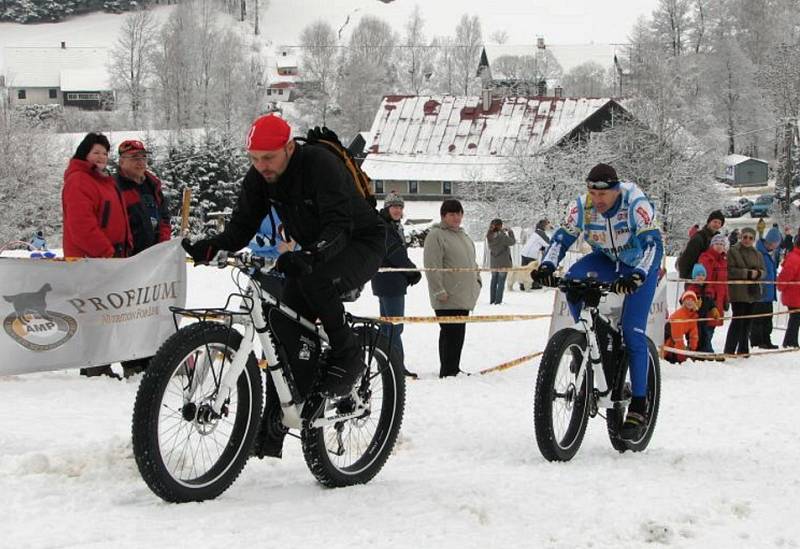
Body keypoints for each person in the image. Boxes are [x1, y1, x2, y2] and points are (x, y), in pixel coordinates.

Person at [182, 114, 386, 458]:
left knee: (315, 281)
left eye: (269, 157)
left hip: (359, 242)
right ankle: (273, 428)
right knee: (284, 328)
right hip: (309, 251)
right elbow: (242, 225)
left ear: (289, 148)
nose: (261, 165)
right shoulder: (261, 177)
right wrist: (214, 245)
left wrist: (310, 255)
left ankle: (348, 354)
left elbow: (340, 224)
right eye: (254, 158)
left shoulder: (319, 165)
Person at [532, 162, 663, 441]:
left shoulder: (635, 203)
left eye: (603, 195)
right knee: (571, 280)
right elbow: (561, 238)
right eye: (593, 193)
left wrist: (639, 275)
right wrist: (547, 266)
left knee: (633, 332)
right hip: (606, 260)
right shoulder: (582, 206)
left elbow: (653, 243)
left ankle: (639, 404)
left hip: (641, 264)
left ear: (616, 190)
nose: (598, 200)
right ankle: (590, 343)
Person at [62, 132, 132, 379]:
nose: (101, 157)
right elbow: (81, 226)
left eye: (104, 152)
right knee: (95, 314)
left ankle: (101, 364)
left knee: (110, 313)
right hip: (90, 260)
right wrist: (107, 252)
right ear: (84, 154)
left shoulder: (105, 180)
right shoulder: (79, 180)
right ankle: (96, 367)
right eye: (96, 152)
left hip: (109, 258)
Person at [114, 139, 172, 377]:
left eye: (143, 157)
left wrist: (164, 246)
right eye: (135, 158)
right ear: (122, 161)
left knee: (152, 309)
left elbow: (165, 216)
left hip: (154, 258)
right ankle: (132, 362)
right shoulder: (115, 186)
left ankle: (151, 358)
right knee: (129, 311)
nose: (140, 162)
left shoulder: (152, 184)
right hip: (128, 259)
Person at [424, 199, 481, 378]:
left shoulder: (463, 235)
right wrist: (438, 290)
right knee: (452, 334)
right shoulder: (436, 235)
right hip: (448, 296)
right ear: (443, 216)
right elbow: (432, 265)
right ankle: (449, 371)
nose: (456, 217)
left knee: (456, 334)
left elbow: (472, 262)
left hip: (463, 295)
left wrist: (478, 280)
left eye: (458, 213)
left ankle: (451, 368)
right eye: (452, 214)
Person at [370, 192, 422, 378]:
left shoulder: (390, 225)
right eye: (394, 206)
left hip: (387, 281)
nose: (398, 210)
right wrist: (412, 272)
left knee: (387, 326)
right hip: (390, 283)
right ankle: (396, 366)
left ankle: (386, 364)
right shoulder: (385, 227)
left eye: (400, 207)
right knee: (395, 326)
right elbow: (395, 254)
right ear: (387, 208)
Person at [724, 227, 765, 356]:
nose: (747, 240)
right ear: (741, 237)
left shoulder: (757, 254)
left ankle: (743, 348)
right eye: (745, 237)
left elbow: (764, 271)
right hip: (738, 291)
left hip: (752, 291)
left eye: (750, 238)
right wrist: (746, 273)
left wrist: (758, 274)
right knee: (737, 320)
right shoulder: (733, 251)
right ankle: (729, 349)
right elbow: (730, 270)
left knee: (748, 321)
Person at [692, 236, 729, 353]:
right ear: (712, 245)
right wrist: (707, 295)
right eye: (717, 243)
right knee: (706, 323)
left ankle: (706, 346)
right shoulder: (706, 258)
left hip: (719, 297)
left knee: (712, 323)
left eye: (722, 244)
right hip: (709, 297)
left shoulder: (723, 260)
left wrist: (726, 298)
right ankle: (705, 348)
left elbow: (725, 282)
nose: (719, 246)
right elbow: (704, 279)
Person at [247, 206, 294, 300]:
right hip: (259, 268)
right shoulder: (257, 207)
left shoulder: (294, 207)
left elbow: (295, 245)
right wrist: (276, 244)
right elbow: (246, 238)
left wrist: (292, 245)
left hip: (288, 272)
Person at [750, 227, 781, 349]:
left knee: (768, 319)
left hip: (768, 293)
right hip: (760, 293)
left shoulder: (769, 254)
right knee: (758, 319)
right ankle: (757, 341)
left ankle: (766, 340)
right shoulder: (759, 254)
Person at [676, 210, 725, 280]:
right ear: (709, 222)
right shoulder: (699, 238)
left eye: (719, 223)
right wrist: (688, 277)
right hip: (696, 277)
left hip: (710, 278)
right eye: (715, 222)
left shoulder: (718, 239)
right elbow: (687, 259)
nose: (716, 224)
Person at [663, 290, 699, 364]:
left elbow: (694, 335)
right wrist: (682, 358)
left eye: (692, 300)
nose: (690, 302)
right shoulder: (679, 316)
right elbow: (677, 338)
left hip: (676, 341)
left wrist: (692, 350)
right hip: (668, 339)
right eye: (687, 299)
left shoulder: (693, 316)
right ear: (683, 301)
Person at [486, 218, 515, 304]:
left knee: (493, 281)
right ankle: (498, 301)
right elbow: (512, 242)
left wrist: (501, 231)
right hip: (503, 262)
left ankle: (492, 300)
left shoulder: (489, 235)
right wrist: (510, 232)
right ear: (500, 226)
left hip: (494, 262)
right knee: (501, 282)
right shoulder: (502, 237)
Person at [778, 234, 800, 347]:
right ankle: (791, 342)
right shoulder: (795, 257)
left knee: (795, 319)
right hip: (794, 294)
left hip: (795, 293)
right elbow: (786, 275)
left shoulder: (795, 256)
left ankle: (791, 341)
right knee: (795, 319)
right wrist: (780, 286)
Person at [520, 219, 550, 289]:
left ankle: (522, 285)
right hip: (531, 255)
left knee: (524, 270)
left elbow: (539, 242)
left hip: (525, 252)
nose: (548, 227)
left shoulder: (537, 231)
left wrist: (542, 247)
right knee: (532, 271)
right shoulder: (541, 233)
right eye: (547, 225)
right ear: (544, 226)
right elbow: (548, 243)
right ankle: (534, 285)